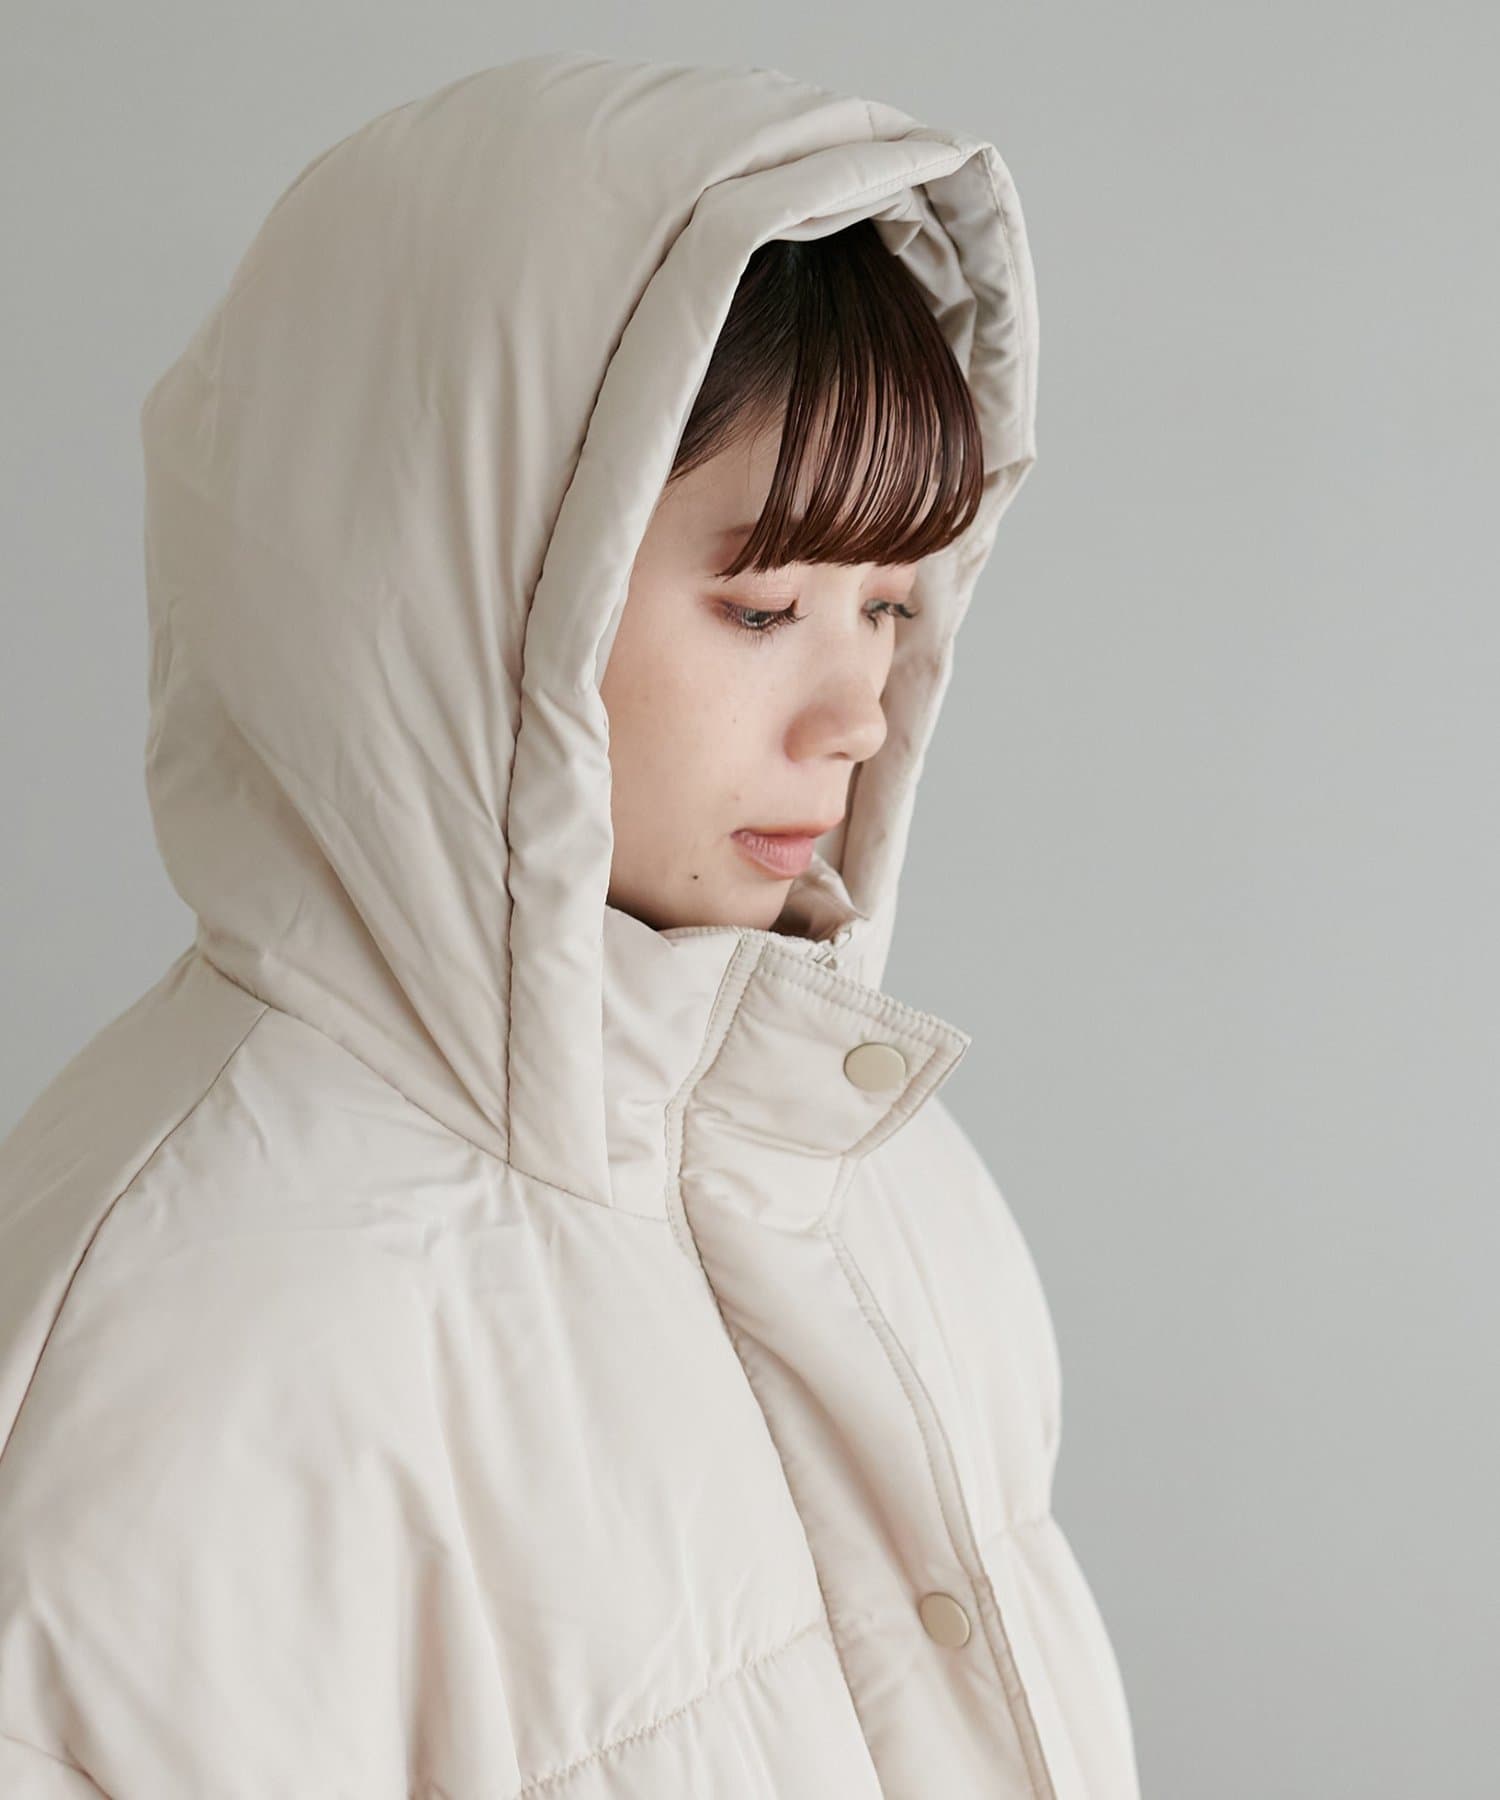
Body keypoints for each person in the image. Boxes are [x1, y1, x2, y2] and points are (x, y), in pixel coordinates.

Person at [0, 50, 1141, 1799]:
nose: (858, 713)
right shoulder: (188, 1352)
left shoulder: (876, 1177)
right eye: (764, 606)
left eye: (893, 604)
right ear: (447, 592)